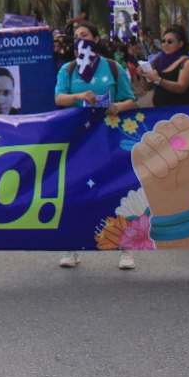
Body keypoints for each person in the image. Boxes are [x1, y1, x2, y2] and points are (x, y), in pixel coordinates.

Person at [54, 21, 139, 271]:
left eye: (86, 36)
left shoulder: (113, 67)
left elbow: (130, 99)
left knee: (116, 191)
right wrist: (79, 96)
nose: (81, 40)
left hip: (109, 139)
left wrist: (118, 107)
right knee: (75, 193)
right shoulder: (68, 70)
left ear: (96, 40)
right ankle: (72, 247)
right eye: (77, 36)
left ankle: (125, 248)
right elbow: (59, 98)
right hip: (78, 141)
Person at [142, 26, 189, 106]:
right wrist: (143, 76)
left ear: (180, 44)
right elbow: (148, 87)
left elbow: (181, 88)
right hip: (160, 110)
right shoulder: (158, 60)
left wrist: (159, 80)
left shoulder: (187, 63)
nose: (165, 44)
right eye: (163, 41)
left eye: (170, 41)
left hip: (179, 111)